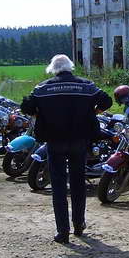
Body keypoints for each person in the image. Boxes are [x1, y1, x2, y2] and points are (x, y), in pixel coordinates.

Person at [20, 54, 112, 244]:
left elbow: (26, 106)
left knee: (59, 186)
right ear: (70, 67)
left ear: (53, 68)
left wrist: (40, 113)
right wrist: (92, 112)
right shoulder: (86, 85)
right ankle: (79, 225)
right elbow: (106, 101)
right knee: (78, 183)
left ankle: (62, 232)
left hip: (54, 142)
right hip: (80, 140)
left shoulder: (43, 87)